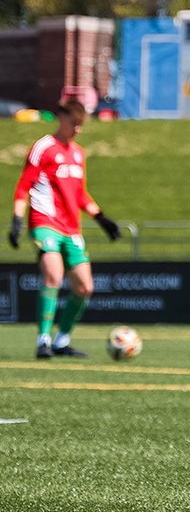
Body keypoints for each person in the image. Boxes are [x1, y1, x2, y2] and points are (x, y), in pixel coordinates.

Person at [8, 99, 122, 359]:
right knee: (53, 274)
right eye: (74, 124)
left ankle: (62, 340)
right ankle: (43, 340)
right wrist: (17, 219)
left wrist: (101, 218)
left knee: (85, 287)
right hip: (44, 222)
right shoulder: (43, 148)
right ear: (61, 118)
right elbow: (24, 185)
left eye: (81, 125)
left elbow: (79, 194)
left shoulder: (78, 153)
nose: (77, 130)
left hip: (71, 228)